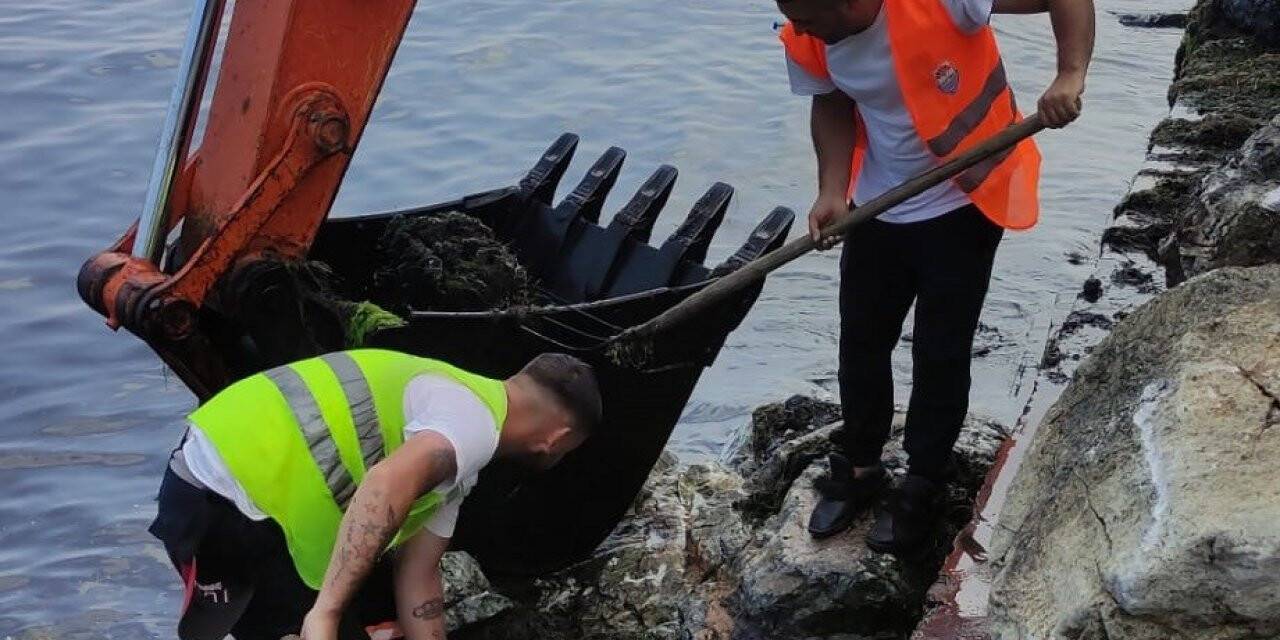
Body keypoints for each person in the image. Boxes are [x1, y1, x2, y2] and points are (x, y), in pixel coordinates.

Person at [775, 0, 1093, 553]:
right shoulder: (810, 38)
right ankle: (859, 464)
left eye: (805, 16)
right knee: (862, 339)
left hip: (963, 199)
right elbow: (830, 103)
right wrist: (831, 191)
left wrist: (1069, 74)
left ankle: (922, 480)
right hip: (879, 205)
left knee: (941, 348)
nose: (797, 30)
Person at [148, 349, 601, 640]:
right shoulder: (472, 425)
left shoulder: (459, 443)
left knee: (375, 613)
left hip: (212, 486)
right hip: (227, 499)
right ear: (556, 438)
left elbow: (419, 573)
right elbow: (385, 485)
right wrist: (324, 614)